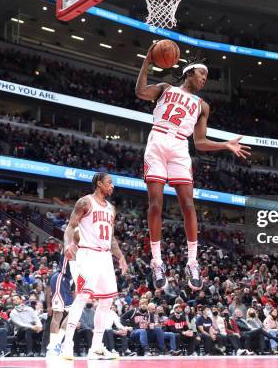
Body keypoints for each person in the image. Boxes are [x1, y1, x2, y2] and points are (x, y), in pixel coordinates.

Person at [135, 46, 250, 290]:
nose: (204, 80)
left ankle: (192, 262)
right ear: (190, 73)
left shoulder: (203, 106)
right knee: (155, 204)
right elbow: (140, 91)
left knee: (188, 204)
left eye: (206, 78)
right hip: (157, 140)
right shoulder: (166, 89)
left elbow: (199, 143)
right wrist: (147, 59)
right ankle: (157, 262)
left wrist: (225, 145)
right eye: (202, 75)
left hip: (180, 147)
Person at [60, 173, 128, 360]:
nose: (112, 186)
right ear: (99, 184)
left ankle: (96, 347)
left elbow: (111, 238)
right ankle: (67, 345)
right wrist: (67, 244)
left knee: (106, 301)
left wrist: (120, 256)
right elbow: (70, 226)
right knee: (82, 297)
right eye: (109, 183)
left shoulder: (112, 209)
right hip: (87, 254)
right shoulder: (85, 202)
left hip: (105, 257)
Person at [45, 254, 75, 357]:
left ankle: (57, 342)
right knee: (58, 314)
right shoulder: (71, 242)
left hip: (69, 280)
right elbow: (47, 289)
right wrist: (49, 305)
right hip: (60, 277)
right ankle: (53, 346)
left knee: (73, 315)